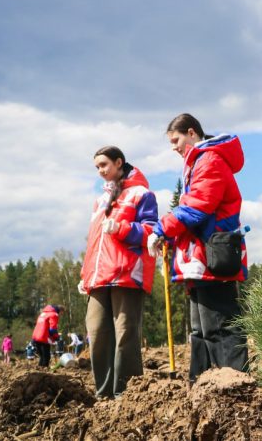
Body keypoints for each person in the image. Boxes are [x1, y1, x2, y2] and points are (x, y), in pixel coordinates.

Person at [147, 114, 249, 381]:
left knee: (220, 327)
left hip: (214, 255)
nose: (174, 147)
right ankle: (201, 384)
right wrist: (168, 238)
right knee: (200, 330)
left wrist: (160, 229)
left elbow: (197, 208)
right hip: (200, 257)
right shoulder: (198, 164)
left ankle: (232, 386)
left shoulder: (210, 161)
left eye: (176, 140)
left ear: (192, 132)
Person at [79, 146, 158, 399]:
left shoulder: (141, 194)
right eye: (97, 167)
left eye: (104, 165)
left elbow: (150, 232)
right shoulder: (99, 201)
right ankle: (103, 394)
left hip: (127, 274)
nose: (100, 171)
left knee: (125, 333)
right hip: (98, 277)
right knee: (97, 332)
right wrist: (85, 274)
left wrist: (122, 228)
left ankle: (127, 394)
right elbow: (93, 242)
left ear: (119, 162)